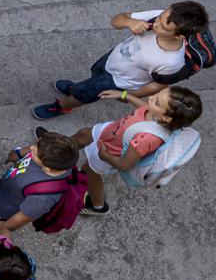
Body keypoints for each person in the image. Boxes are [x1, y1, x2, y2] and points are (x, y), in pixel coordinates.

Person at [33, 2, 208, 120]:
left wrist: (129, 95)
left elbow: (158, 86)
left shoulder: (171, 63)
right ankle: (78, 89)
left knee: (85, 94)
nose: (156, 24)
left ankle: (64, 105)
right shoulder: (158, 17)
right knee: (93, 76)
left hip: (117, 81)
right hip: (112, 59)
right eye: (160, 18)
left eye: (162, 26)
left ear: (178, 35)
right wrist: (130, 22)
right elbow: (117, 19)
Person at [48, 86, 203, 216]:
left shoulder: (146, 139)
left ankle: (97, 205)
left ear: (167, 118)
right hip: (110, 132)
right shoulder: (157, 114)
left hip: (109, 151)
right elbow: (144, 107)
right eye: (157, 93)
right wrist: (125, 95)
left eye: (156, 101)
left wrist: (104, 155)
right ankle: (55, 148)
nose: (150, 97)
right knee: (83, 134)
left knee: (89, 172)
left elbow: (124, 165)